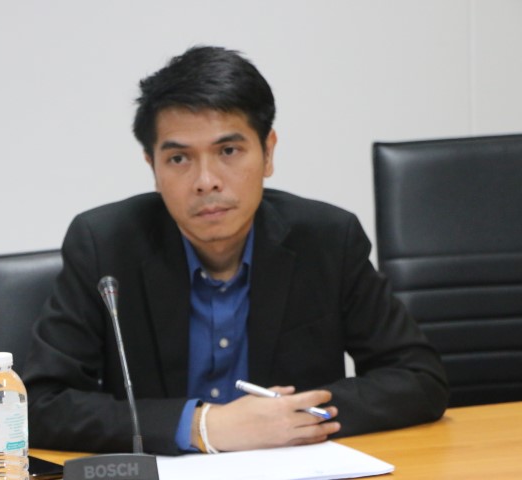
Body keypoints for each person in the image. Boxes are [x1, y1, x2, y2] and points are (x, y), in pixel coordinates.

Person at [22, 45, 449, 456]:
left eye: (228, 151)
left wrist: (294, 418)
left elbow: (419, 379)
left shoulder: (328, 240)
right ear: (153, 167)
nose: (206, 181)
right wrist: (202, 426)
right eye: (179, 159)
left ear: (268, 152)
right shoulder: (105, 245)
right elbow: (38, 405)